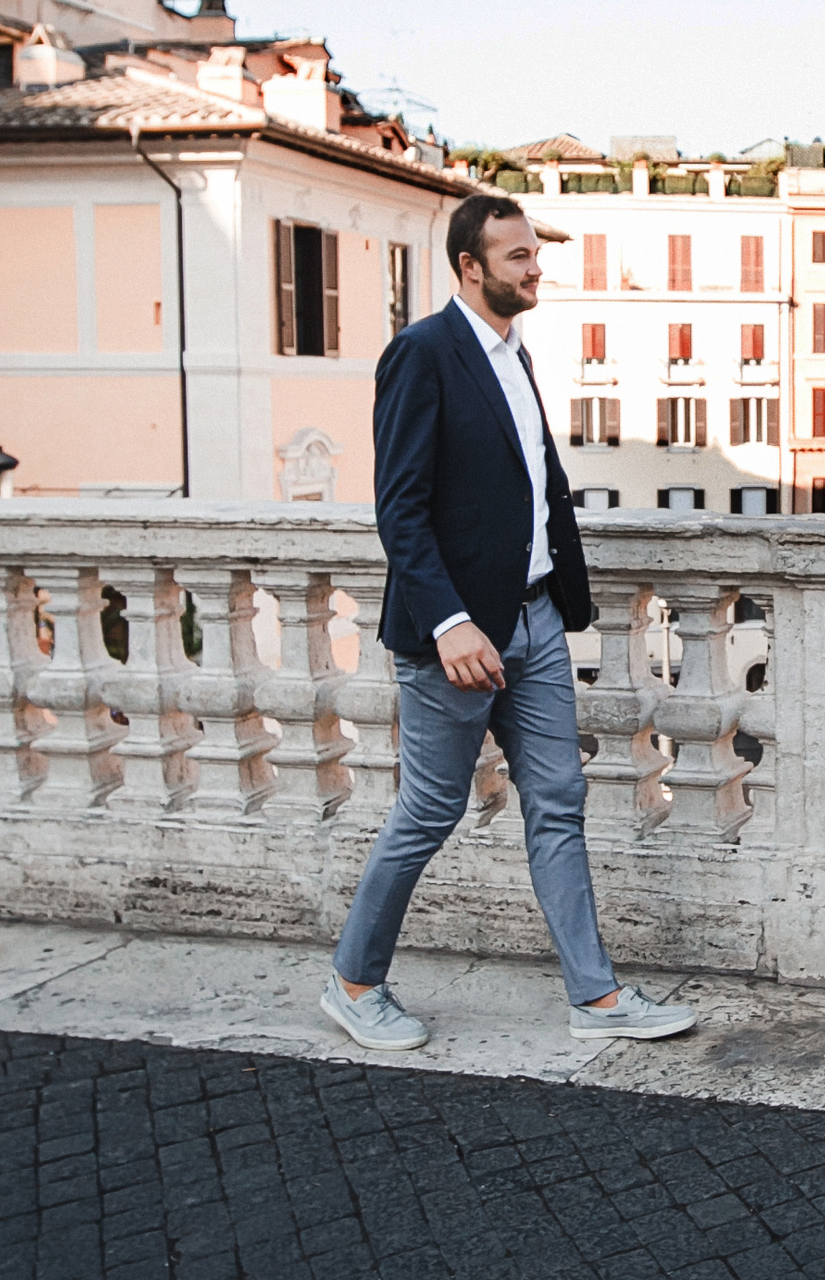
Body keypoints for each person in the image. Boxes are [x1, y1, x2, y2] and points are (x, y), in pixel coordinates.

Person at [321, 194, 697, 1050]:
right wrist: (451, 622)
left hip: (532, 625)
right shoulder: (423, 354)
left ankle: (594, 999)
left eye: (534, 253)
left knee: (558, 804)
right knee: (429, 811)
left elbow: (529, 489)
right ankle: (352, 981)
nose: (536, 268)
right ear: (470, 266)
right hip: (457, 640)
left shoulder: (513, 354)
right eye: (518, 256)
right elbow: (400, 510)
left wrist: (559, 601)